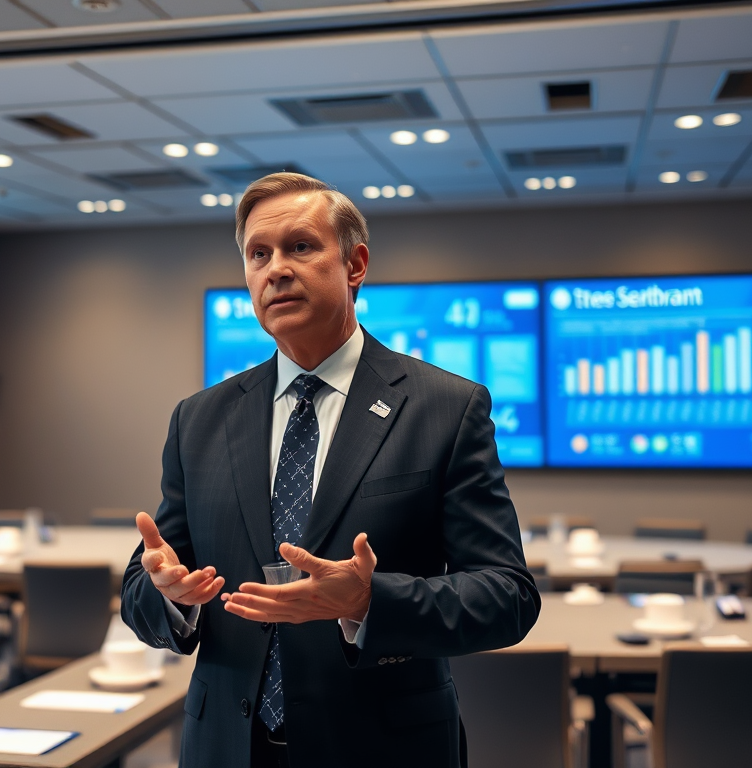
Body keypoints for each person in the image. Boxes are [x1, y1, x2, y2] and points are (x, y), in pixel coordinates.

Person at [121, 172, 540, 768]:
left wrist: (370, 600)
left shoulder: (445, 408)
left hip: (383, 748)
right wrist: (169, 597)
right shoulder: (199, 419)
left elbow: (508, 596)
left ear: (355, 264)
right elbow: (143, 586)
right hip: (225, 749)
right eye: (257, 254)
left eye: (300, 246)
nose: (276, 269)